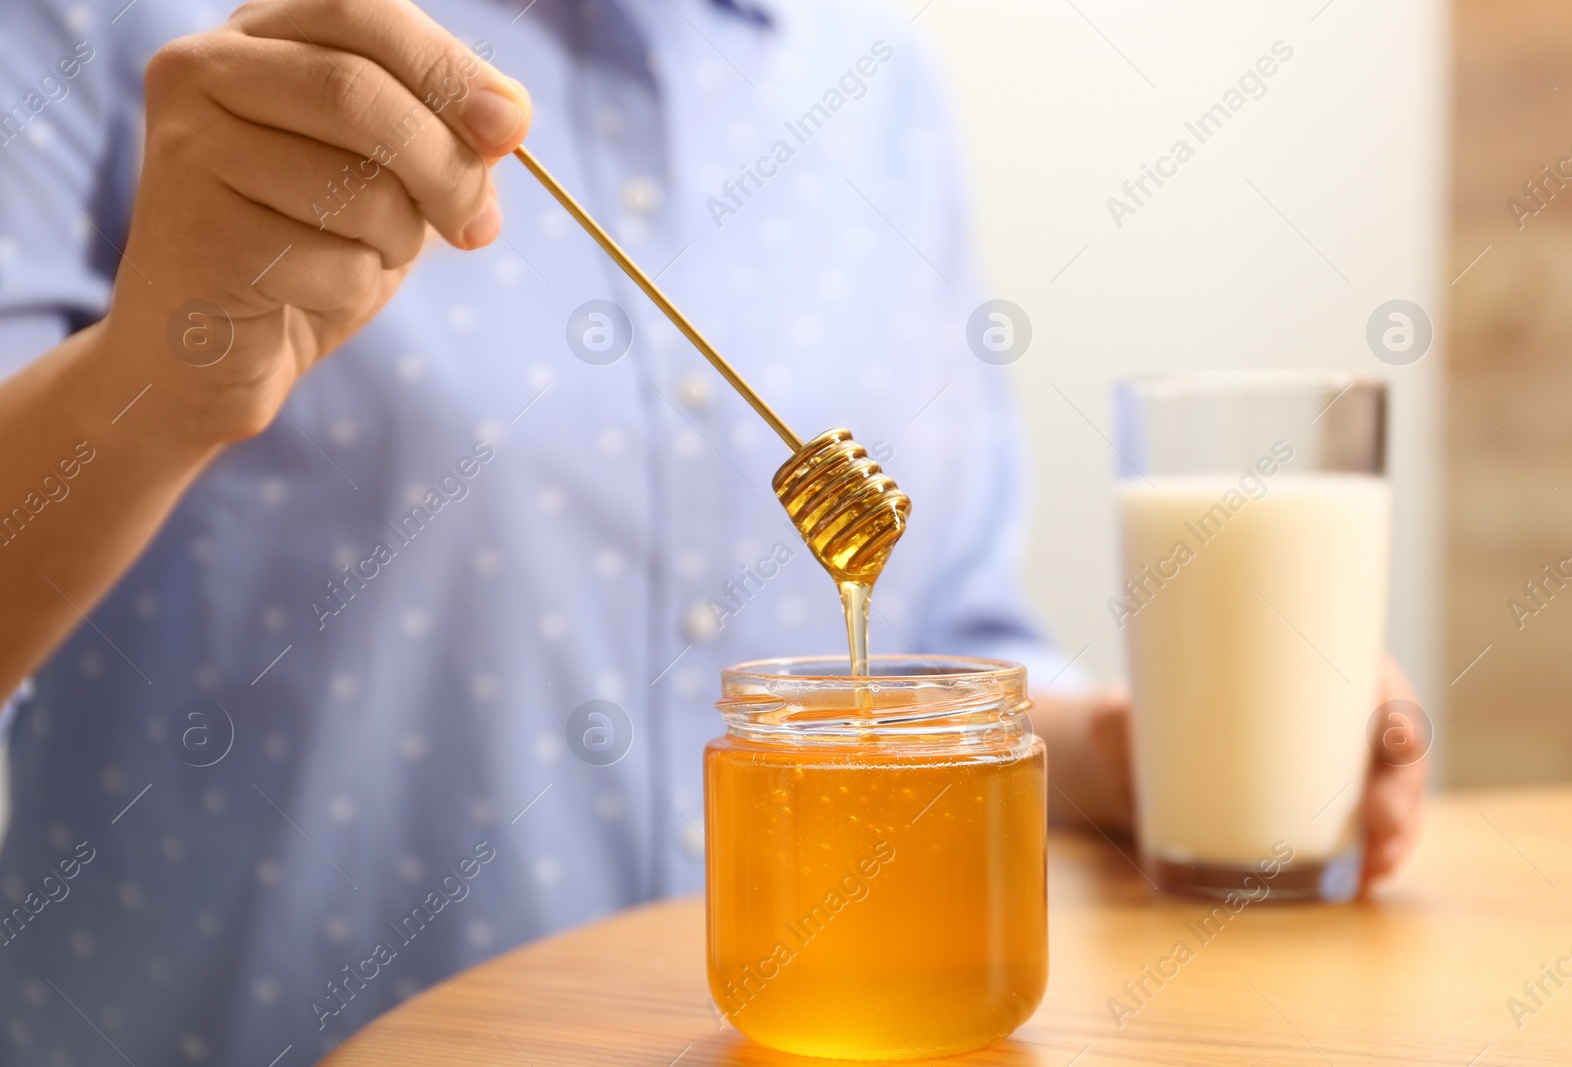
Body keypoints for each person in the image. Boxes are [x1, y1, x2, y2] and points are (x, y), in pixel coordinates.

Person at [0, 0, 1426, 1063]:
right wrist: (153, 381)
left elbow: (943, 654)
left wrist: (1133, 749)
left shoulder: (876, 81)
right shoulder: (133, 32)